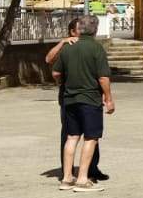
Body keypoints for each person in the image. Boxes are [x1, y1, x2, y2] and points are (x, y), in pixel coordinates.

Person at [54, 14, 114, 192]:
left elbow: (56, 73)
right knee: (91, 137)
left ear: (79, 28)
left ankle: (66, 178)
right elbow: (103, 77)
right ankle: (82, 179)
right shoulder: (97, 49)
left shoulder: (67, 48)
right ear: (95, 29)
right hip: (89, 99)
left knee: (71, 137)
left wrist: (66, 82)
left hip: (69, 99)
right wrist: (108, 98)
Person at [45, 18, 105, 182]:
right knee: (70, 133)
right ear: (72, 32)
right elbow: (48, 60)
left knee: (91, 135)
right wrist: (62, 43)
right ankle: (68, 171)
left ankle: (92, 168)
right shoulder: (68, 47)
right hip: (69, 95)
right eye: (80, 29)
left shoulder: (88, 47)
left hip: (87, 95)